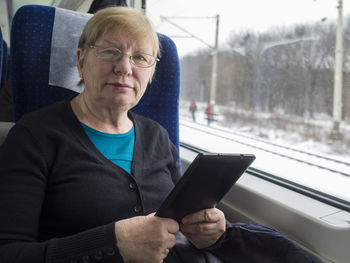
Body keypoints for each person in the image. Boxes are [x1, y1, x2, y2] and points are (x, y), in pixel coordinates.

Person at [0, 7, 227, 263]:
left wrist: (209, 233)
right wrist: (113, 244)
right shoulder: (33, 137)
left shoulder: (158, 137)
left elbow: (182, 220)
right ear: (81, 60)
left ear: (151, 73)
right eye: (109, 52)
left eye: (140, 58)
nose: (124, 67)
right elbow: (8, 253)